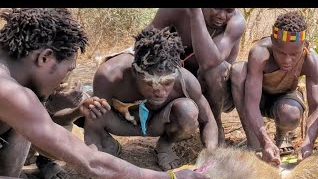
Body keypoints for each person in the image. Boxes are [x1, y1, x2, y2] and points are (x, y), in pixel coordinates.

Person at [0, 8, 209, 179]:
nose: (64, 80)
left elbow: (50, 141)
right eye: (67, 70)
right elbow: (91, 162)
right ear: (45, 57)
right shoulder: (11, 93)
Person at [83, 25, 218, 170]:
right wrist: (96, 164)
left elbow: (208, 120)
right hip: (120, 123)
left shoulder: (185, 80)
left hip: (158, 125)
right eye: (149, 83)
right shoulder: (109, 75)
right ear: (135, 72)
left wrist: (209, 157)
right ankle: (106, 143)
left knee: (188, 110)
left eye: (167, 83)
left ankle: (165, 144)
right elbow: (93, 122)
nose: (160, 91)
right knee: (95, 107)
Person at [230, 11, 318, 166]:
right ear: (273, 42)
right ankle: (254, 144)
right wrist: (264, 141)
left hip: (284, 98)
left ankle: (281, 138)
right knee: (239, 71)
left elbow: (316, 108)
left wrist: (308, 143)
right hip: (258, 98)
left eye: (294, 54)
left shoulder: (310, 60)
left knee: (290, 114)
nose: (287, 60)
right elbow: (251, 104)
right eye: (280, 52)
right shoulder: (260, 53)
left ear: (304, 46)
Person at [150, 8, 246, 144]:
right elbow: (147, 40)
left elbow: (209, 62)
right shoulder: (178, 10)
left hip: (218, 92)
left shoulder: (236, 22)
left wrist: (196, 15)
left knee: (215, 70)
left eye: (229, 10)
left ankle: (215, 125)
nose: (221, 16)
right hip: (177, 81)